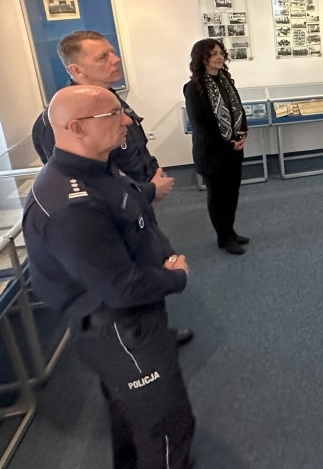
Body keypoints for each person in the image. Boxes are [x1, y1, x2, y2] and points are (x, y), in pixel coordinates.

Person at [22, 85, 195, 469]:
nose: (128, 120)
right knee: (167, 425)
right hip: (119, 326)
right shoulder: (70, 206)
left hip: (128, 317)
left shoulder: (97, 167)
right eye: (114, 114)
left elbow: (128, 213)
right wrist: (176, 278)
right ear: (77, 127)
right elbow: (121, 287)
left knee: (131, 413)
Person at [32, 30, 174, 205]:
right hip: (112, 209)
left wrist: (153, 173)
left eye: (112, 52)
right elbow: (78, 182)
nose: (116, 60)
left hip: (138, 201)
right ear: (76, 69)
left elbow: (134, 148)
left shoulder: (111, 100)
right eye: (102, 57)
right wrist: (148, 191)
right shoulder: (57, 121)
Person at [183, 40, 249, 255]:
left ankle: (230, 231)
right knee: (218, 196)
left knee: (232, 193)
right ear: (202, 58)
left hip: (234, 150)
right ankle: (223, 237)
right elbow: (200, 126)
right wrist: (227, 145)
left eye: (221, 53)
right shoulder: (193, 88)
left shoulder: (225, 80)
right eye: (213, 54)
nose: (219, 57)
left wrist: (242, 134)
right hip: (212, 153)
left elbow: (238, 110)